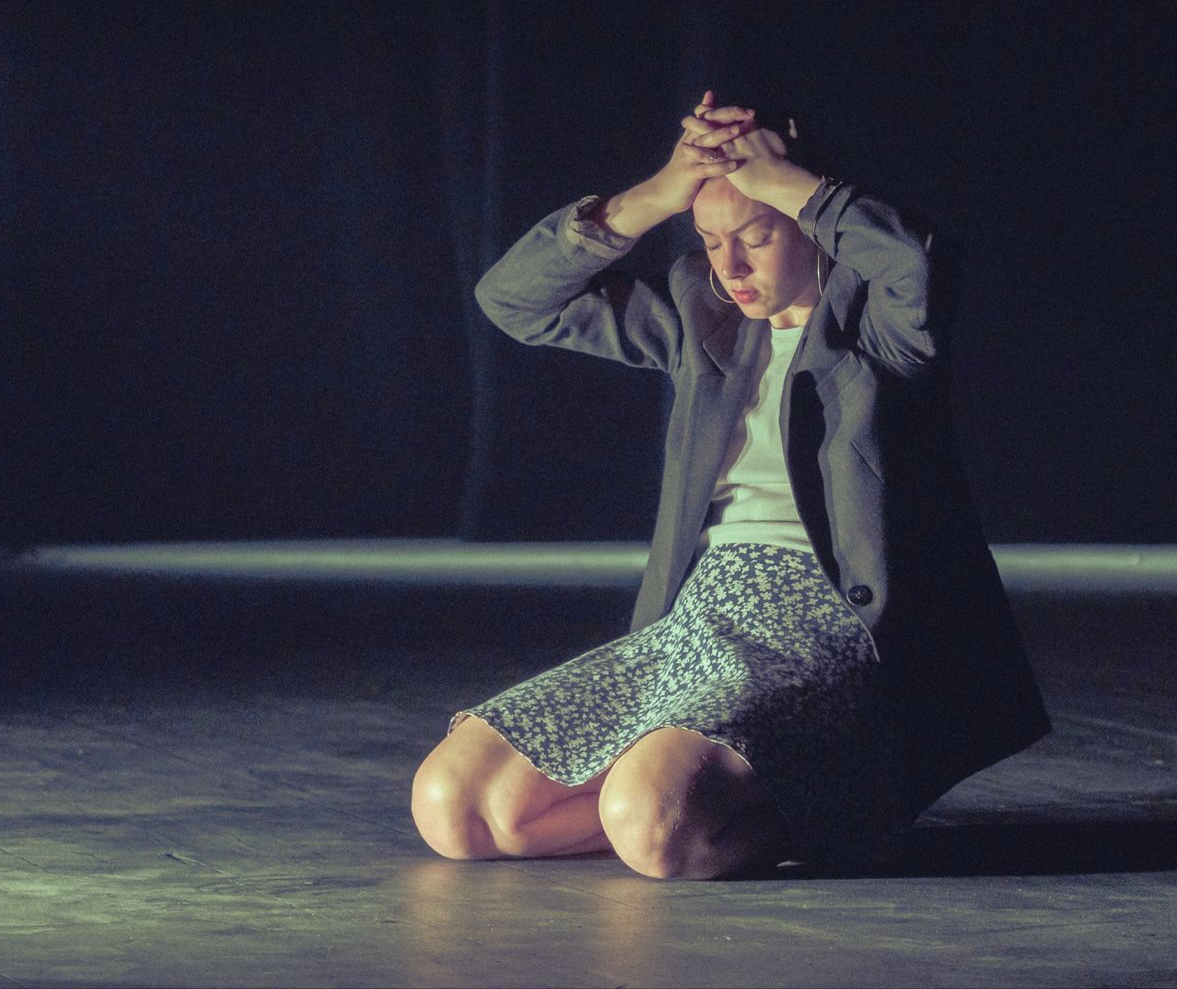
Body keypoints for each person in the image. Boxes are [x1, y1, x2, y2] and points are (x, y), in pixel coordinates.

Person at [410, 91, 1050, 878]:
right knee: (459, 807)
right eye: (711, 241)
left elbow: (918, 258)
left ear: (808, 219)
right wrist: (656, 195)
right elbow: (512, 301)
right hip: (698, 618)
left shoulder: (882, 327)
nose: (731, 267)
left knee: (653, 824)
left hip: (834, 627)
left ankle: (848, 796)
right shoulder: (700, 317)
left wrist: (794, 183)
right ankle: (701, 784)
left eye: (756, 235)